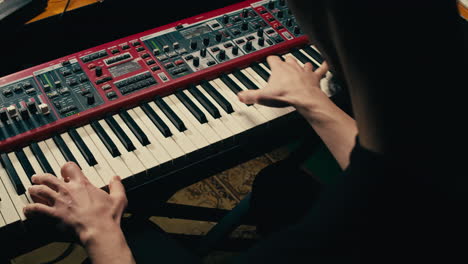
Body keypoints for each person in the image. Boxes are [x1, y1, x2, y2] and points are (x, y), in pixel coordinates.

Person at [23, 0, 466, 263]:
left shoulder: (327, 242)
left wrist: (100, 231)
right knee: (279, 184)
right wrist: (315, 103)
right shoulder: (431, 157)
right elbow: (395, 179)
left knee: (139, 236)